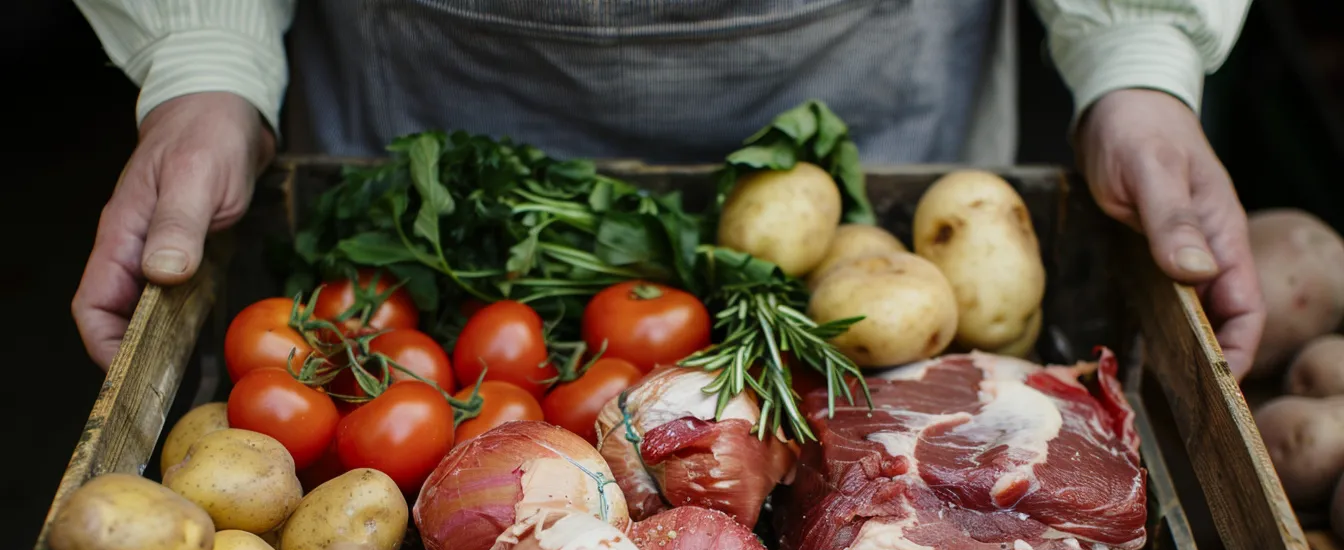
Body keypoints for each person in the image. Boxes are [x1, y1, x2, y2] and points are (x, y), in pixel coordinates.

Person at [70, 0, 1263, 378]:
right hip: (430, 74)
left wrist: (1138, 55)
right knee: (391, 281)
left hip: (873, 75)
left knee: (899, 370)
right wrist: (205, 53)